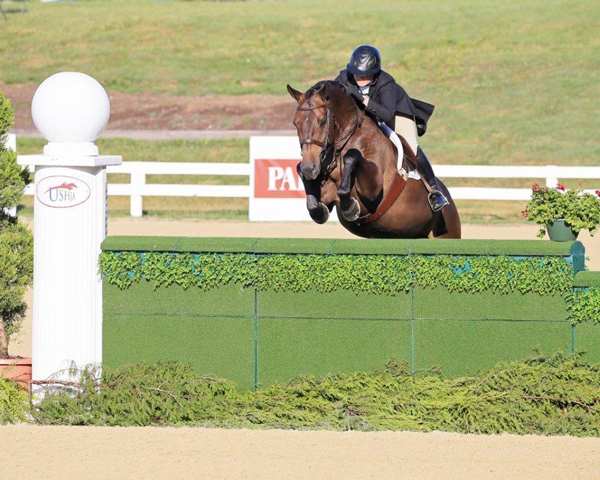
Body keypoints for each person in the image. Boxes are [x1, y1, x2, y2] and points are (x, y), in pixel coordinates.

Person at [334, 45, 449, 212]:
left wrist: (365, 102)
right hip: (365, 117)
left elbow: (386, 115)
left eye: (365, 75)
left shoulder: (386, 82)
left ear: (374, 73)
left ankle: (435, 192)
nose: (359, 78)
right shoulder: (344, 77)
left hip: (396, 112)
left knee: (410, 144)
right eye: (357, 73)